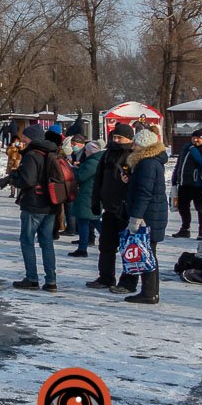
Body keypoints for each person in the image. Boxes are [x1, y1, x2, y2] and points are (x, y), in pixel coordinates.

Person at [2, 124, 60, 292]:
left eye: (25, 138)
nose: (22, 141)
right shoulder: (50, 152)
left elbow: (28, 180)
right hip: (50, 203)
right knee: (47, 243)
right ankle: (51, 281)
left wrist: (13, 180)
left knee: (27, 241)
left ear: (31, 138)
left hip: (34, 204)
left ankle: (32, 278)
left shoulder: (32, 155)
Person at [120, 126, 168, 303]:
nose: (132, 147)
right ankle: (151, 292)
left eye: (136, 144)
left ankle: (149, 293)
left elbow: (144, 193)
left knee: (147, 253)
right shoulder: (151, 162)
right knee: (149, 253)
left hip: (148, 215)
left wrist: (136, 217)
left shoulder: (147, 163)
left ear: (144, 146)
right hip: (153, 213)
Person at [88, 123, 136, 292]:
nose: (116, 140)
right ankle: (106, 277)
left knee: (129, 248)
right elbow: (98, 179)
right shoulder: (107, 154)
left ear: (129, 139)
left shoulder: (134, 155)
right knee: (106, 246)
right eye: (114, 137)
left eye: (119, 137)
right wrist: (95, 201)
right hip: (109, 208)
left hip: (126, 210)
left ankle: (128, 282)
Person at [171, 127, 202, 239]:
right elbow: (179, 164)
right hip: (184, 183)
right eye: (193, 138)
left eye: (198, 138)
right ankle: (185, 229)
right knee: (182, 207)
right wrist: (175, 178)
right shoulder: (186, 148)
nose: (195, 140)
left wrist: (193, 149)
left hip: (198, 185)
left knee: (201, 208)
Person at [69, 140, 102, 257]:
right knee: (94, 220)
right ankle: (111, 242)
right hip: (91, 195)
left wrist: (72, 169)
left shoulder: (93, 162)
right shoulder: (97, 160)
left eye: (86, 151)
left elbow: (80, 176)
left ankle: (82, 248)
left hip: (88, 195)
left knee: (84, 221)